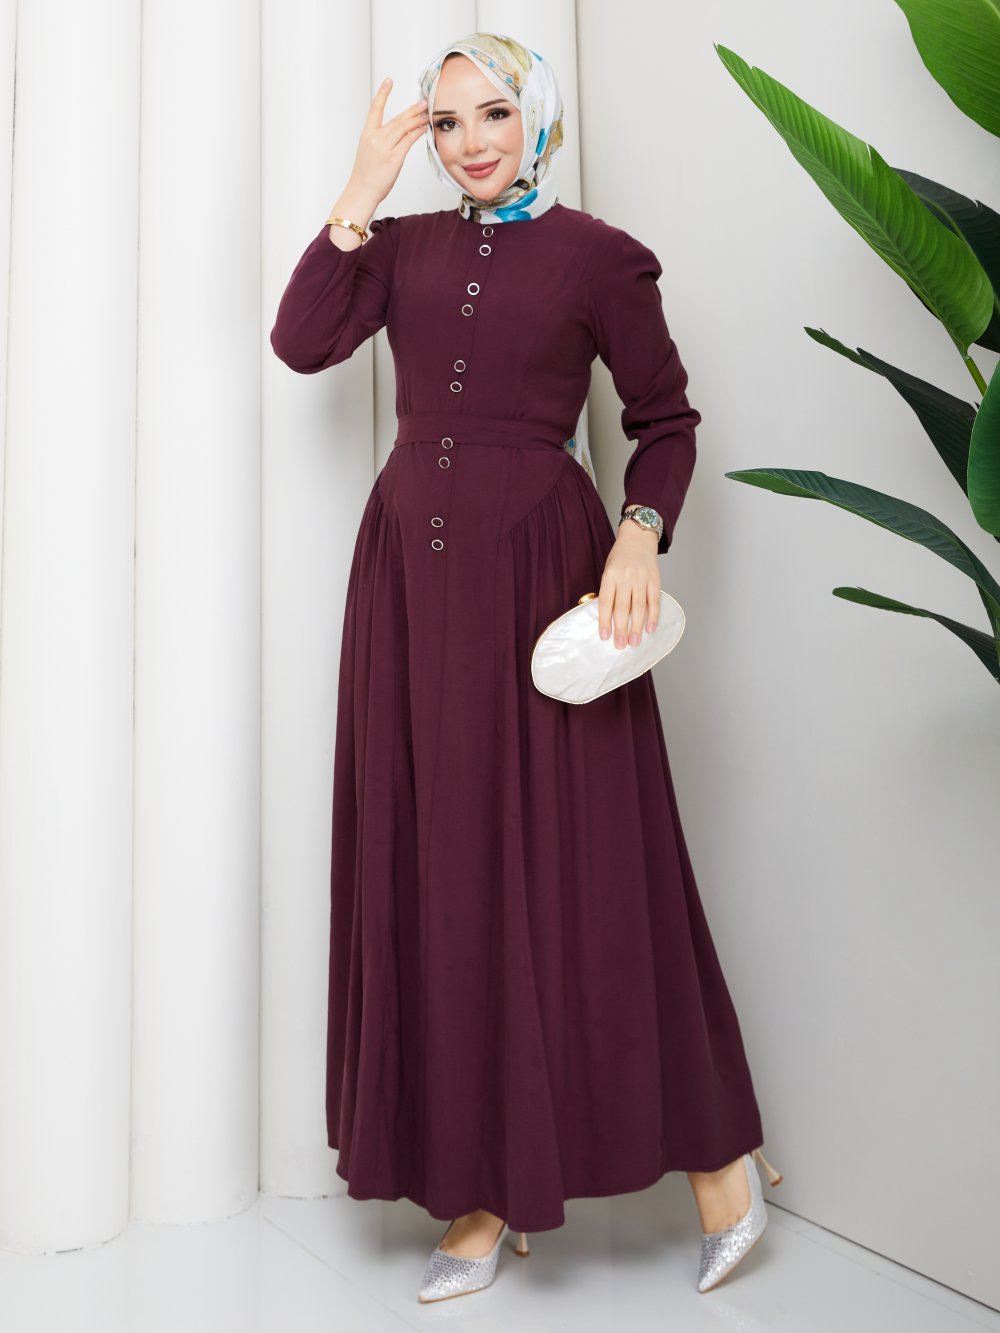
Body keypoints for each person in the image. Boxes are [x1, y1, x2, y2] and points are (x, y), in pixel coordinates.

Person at [270, 30, 782, 1306]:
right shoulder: (401, 246)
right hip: (408, 580)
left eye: (493, 113)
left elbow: (665, 422)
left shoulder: (601, 257)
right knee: (442, 865)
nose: (471, 143)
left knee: (598, 867)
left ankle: (721, 1163)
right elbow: (300, 343)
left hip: (545, 578)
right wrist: (360, 186)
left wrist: (639, 532)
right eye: (446, 123)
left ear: (536, 116)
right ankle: (485, 1187)